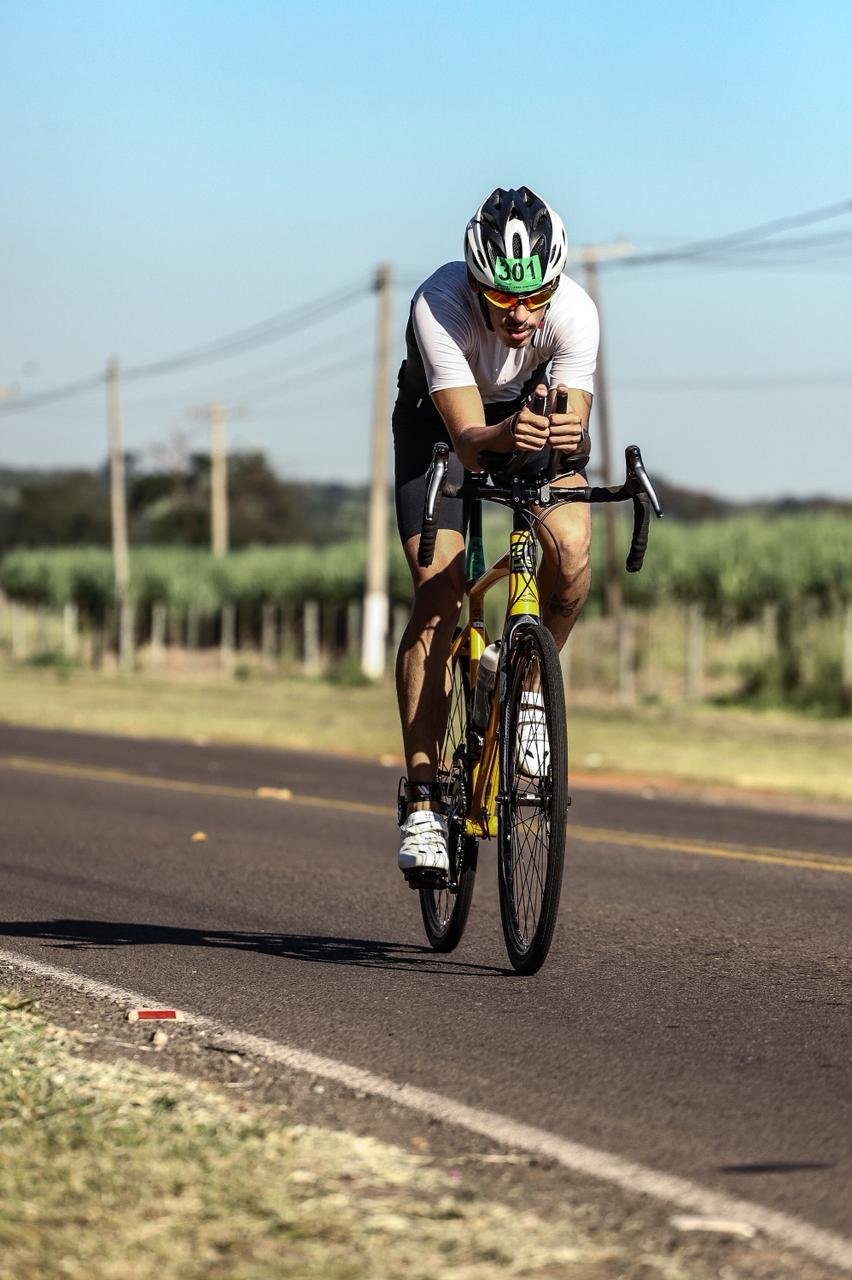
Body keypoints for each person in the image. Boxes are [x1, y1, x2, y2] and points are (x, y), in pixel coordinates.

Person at [393, 185, 599, 879]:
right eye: (503, 297)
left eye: (535, 296)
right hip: (442, 426)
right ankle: (424, 801)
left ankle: (528, 691)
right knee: (439, 595)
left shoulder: (575, 312)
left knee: (571, 549)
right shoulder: (439, 302)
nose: (521, 314)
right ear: (476, 282)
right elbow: (470, 441)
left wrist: (569, 435)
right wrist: (507, 434)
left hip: (525, 418)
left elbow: (572, 429)